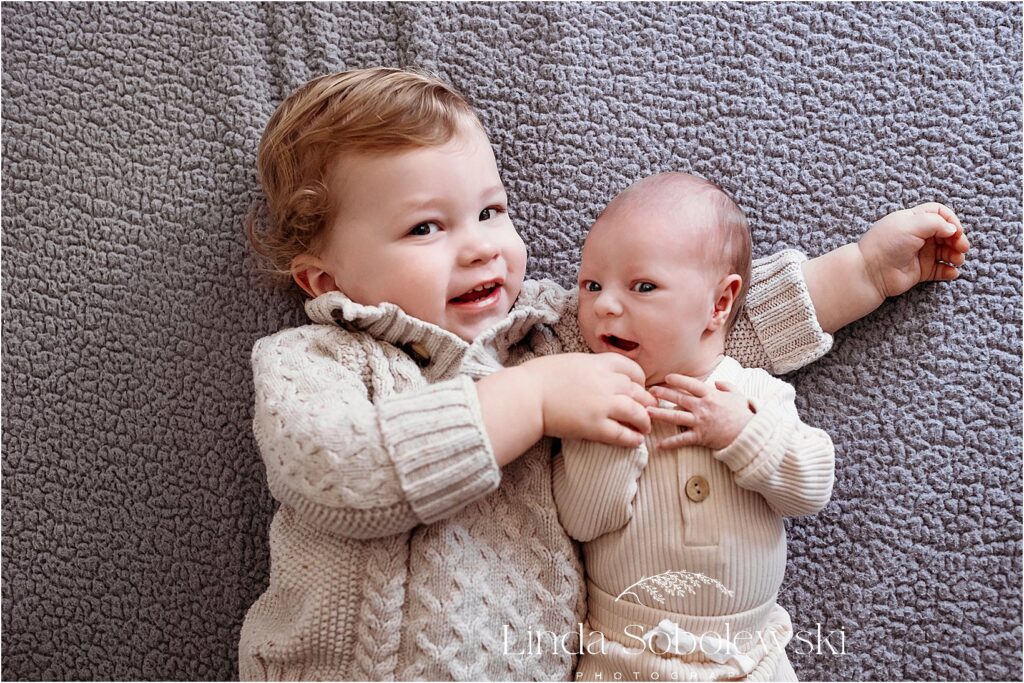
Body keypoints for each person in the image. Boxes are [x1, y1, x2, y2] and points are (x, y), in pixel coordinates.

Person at [237, 67, 969, 680]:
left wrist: (864, 271)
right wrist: (531, 397)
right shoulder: (316, 362)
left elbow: (702, 330)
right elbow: (344, 475)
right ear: (322, 277)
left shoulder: (542, 328)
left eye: (491, 210)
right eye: (427, 227)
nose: (481, 248)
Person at [554, 172, 834, 682]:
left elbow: (811, 487)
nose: (605, 305)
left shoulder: (753, 394)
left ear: (719, 304)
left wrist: (743, 434)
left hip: (751, 656)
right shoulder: (593, 406)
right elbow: (581, 520)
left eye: (643, 286)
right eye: (591, 285)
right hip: (625, 655)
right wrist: (614, 434)